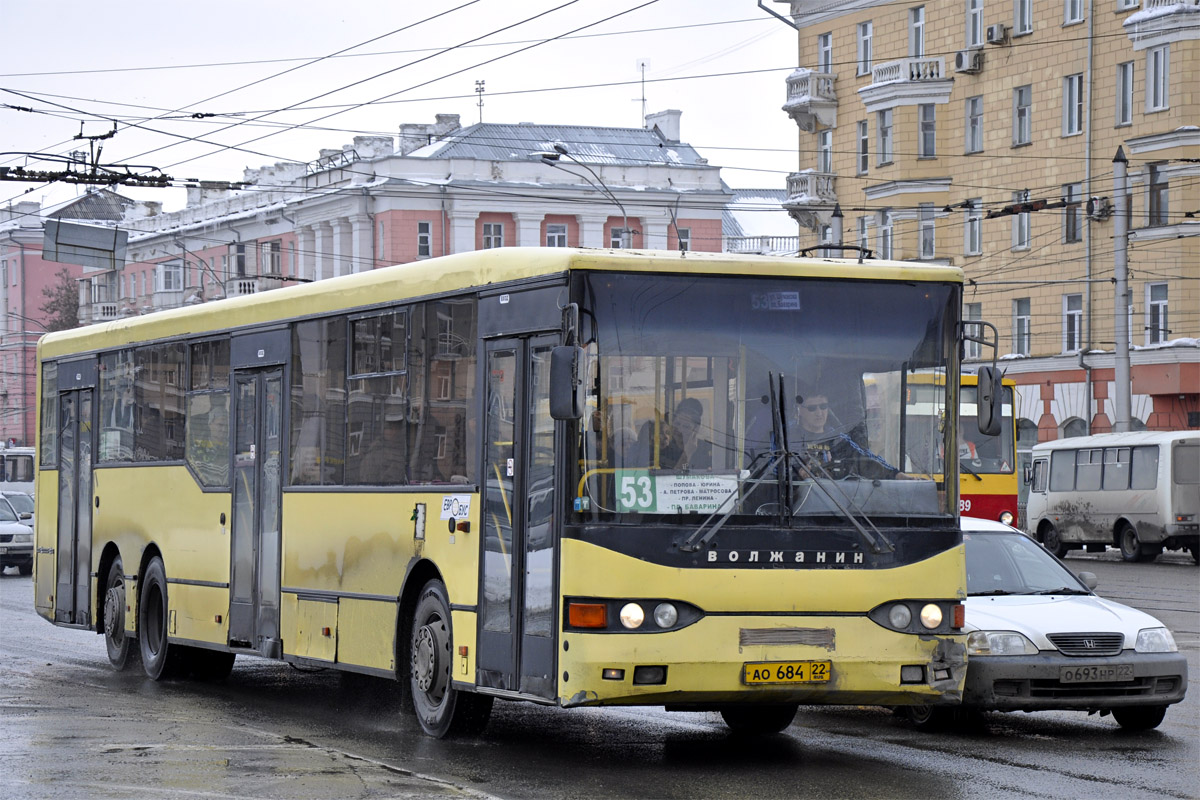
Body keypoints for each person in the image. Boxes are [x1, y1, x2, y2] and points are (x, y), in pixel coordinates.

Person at [790, 384, 901, 480]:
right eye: (812, 408)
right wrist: (797, 475)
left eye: (823, 407)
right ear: (800, 410)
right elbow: (775, 471)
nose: (819, 413)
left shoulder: (839, 439)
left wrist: (896, 474)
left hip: (835, 501)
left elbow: (865, 459)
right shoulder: (789, 439)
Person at [657, 397, 712, 471]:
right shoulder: (664, 448)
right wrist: (687, 454)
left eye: (686, 426)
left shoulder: (706, 449)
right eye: (677, 424)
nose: (679, 429)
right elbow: (671, 479)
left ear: (696, 429)